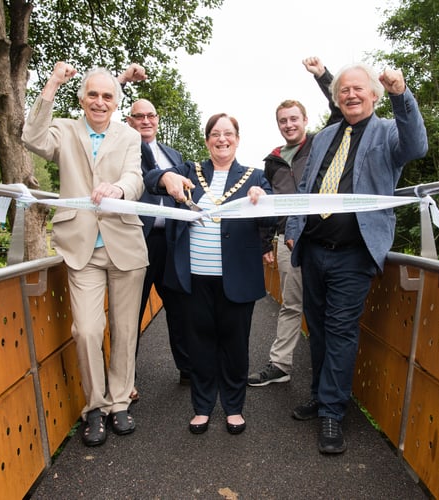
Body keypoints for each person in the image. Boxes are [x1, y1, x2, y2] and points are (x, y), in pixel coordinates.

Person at [285, 63, 428, 454]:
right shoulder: (326, 135)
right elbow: (307, 185)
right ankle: (319, 394)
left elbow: (417, 147)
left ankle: (333, 411)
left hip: (355, 252)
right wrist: (294, 230)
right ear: (337, 97)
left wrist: (402, 93)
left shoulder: (387, 132)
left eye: (358, 89)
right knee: (317, 328)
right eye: (343, 90)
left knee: (342, 331)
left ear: (374, 95)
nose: (350, 94)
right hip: (313, 249)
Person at [22, 62, 148, 447]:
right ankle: (94, 406)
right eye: (92, 94)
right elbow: (31, 137)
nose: (99, 101)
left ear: (115, 102)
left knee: (125, 331)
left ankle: (119, 402)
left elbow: (136, 177)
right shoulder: (64, 129)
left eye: (107, 96)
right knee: (88, 330)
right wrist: (52, 83)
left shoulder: (129, 136)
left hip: (124, 244)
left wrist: (119, 191)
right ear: (81, 98)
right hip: (81, 248)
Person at [144, 113, 274, 436]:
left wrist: (264, 204)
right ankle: (202, 407)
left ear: (237, 139)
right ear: (207, 140)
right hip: (193, 276)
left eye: (228, 134)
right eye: (215, 134)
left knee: (235, 345)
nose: (221, 139)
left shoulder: (256, 177)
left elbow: (271, 221)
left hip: (237, 277)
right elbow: (150, 179)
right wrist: (166, 180)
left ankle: (234, 407)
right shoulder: (190, 171)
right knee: (199, 343)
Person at [248, 57, 341, 387]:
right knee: (291, 304)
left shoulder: (320, 143)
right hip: (288, 238)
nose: (288, 125)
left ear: (304, 120)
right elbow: (268, 206)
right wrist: (265, 244)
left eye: (293, 119)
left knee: (326, 309)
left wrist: (322, 75)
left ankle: (328, 373)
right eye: (282, 121)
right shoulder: (271, 162)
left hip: (322, 235)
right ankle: (280, 364)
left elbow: (341, 108)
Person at [126, 99, 191, 394]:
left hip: (172, 241)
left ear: (157, 118)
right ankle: (125, 380)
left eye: (150, 115)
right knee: (132, 310)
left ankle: (188, 370)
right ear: (129, 121)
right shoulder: (125, 149)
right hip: (139, 239)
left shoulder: (174, 154)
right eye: (139, 116)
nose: (146, 120)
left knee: (179, 307)